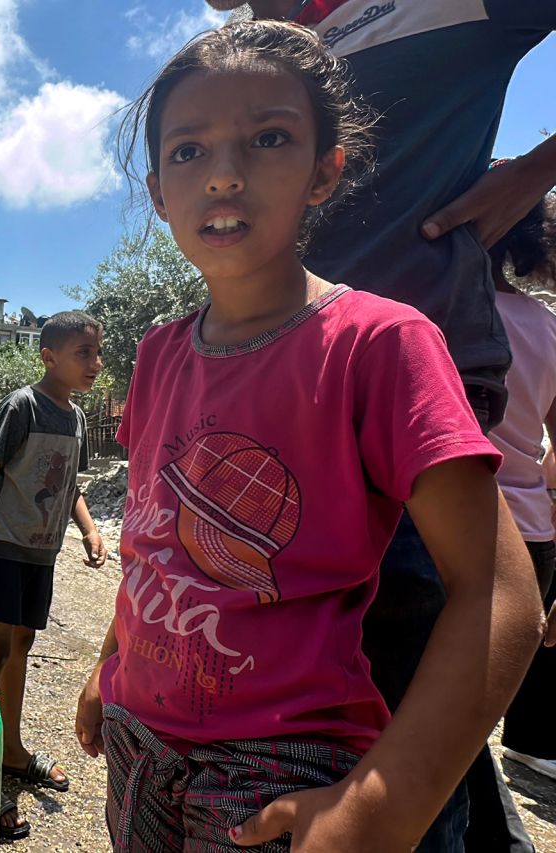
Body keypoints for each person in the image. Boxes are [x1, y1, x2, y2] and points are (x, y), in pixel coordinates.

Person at [77, 21, 542, 852]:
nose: (222, 173)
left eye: (268, 138)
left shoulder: (382, 344)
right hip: (135, 746)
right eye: (188, 152)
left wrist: (380, 807)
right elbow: (155, 537)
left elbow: (501, 596)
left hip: (276, 768)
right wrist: (109, 664)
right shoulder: (156, 352)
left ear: (326, 171)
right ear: (157, 192)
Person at [214, 3, 556, 846]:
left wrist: (536, 172)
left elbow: (500, 603)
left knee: (394, 717)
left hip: (405, 394)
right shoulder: (288, 44)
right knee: (342, 697)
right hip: (281, 392)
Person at [0, 310, 108, 840]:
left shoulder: (78, 418)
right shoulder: (22, 405)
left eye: (96, 353)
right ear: (49, 356)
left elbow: (71, 486)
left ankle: (13, 751)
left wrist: (89, 530)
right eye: (83, 353)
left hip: (42, 555)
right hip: (4, 548)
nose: (95, 363)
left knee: (21, 645)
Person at [465, 194, 556, 850]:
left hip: (458, 541)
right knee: (467, 730)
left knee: (446, 734)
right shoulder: (548, 327)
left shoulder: (440, 317)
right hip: (536, 547)